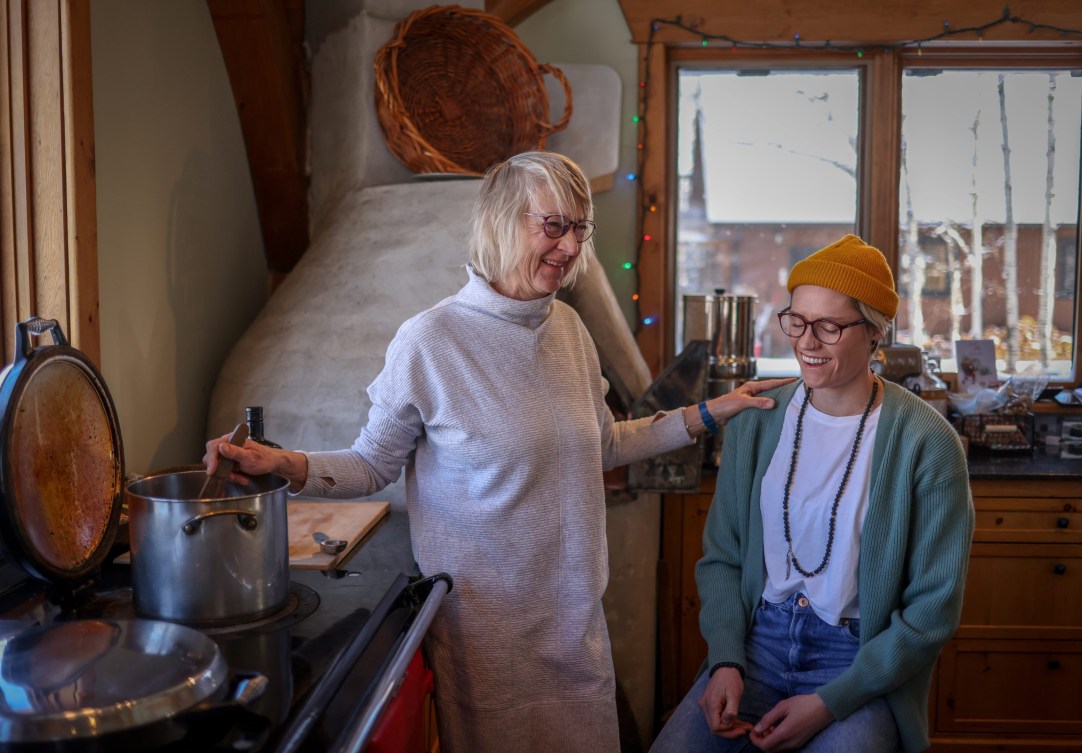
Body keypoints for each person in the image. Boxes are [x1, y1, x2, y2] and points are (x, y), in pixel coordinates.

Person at [203, 151, 791, 753]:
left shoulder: (568, 329)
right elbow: (372, 464)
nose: (569, 247)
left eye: (579, 228)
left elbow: (606, 444)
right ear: (502, 222)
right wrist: (284, 464)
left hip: (575, 620)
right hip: (487, 635)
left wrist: (708, 414)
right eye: (553, 225)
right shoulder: (430, 340)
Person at [650, 235, 974, 753]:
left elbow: (931, 612)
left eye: (829, 325)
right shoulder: (758, 421)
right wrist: (726, 660)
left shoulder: (927, 442)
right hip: (757, 646)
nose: (806, 341)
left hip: (856, 663)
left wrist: (830, 701)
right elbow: (723, 560)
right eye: (796, 321)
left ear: (874, 332)